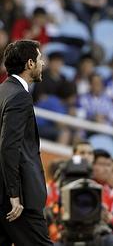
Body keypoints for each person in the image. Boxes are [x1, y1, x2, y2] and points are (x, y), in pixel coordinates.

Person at [0, 40, 52, 245]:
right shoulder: (19, 97)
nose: (43, 64)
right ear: (30, 63)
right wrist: (14, 194)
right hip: (18, 199)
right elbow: (8, 146)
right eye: (40, 59)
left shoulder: (3, 91)